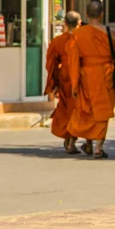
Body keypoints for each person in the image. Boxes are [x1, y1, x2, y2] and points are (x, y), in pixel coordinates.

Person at [66, 1, 115, 159]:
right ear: (102, 14)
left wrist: (74, 83)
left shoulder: (78, 35)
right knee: (103, 110)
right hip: (107, 74)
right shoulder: (110, 33)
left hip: (86, 75)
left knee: (83, 109)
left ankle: (74, 142)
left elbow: (73, 61)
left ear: (86, 14)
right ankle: (99, 147)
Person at [44, 11, 83, 154]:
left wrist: (53, 83)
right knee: (77, 110)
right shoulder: (84, 40)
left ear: (65, 24)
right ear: (80, 23)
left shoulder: (57, 41)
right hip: (80, 77)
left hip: (65, 78)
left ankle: (69, 138)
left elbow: (51, 64)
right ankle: (72, 140)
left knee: (67, 108)